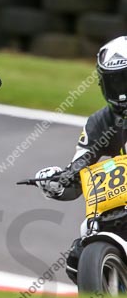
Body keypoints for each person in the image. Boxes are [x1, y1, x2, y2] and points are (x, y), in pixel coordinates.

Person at [36, 35, 127, 201]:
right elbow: (78, 178)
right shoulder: (100, 123)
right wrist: (58, 184)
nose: (122, 92)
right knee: (88, 226)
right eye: (115, 83)